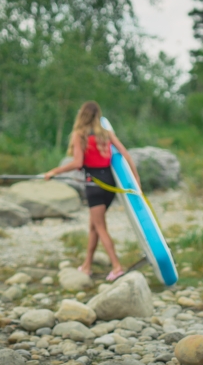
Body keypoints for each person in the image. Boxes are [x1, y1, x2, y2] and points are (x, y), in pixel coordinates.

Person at [44, 101, 141, 282]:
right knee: (93, 226)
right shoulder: (106, 134)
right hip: (109, 184)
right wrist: (137, 181)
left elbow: (78, 163)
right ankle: (87, 265)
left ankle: (116, 266)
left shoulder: (79, 134)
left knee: (100, 227)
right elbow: (126, 155)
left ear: (82, 115)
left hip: (94, 184)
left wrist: (53, 172)